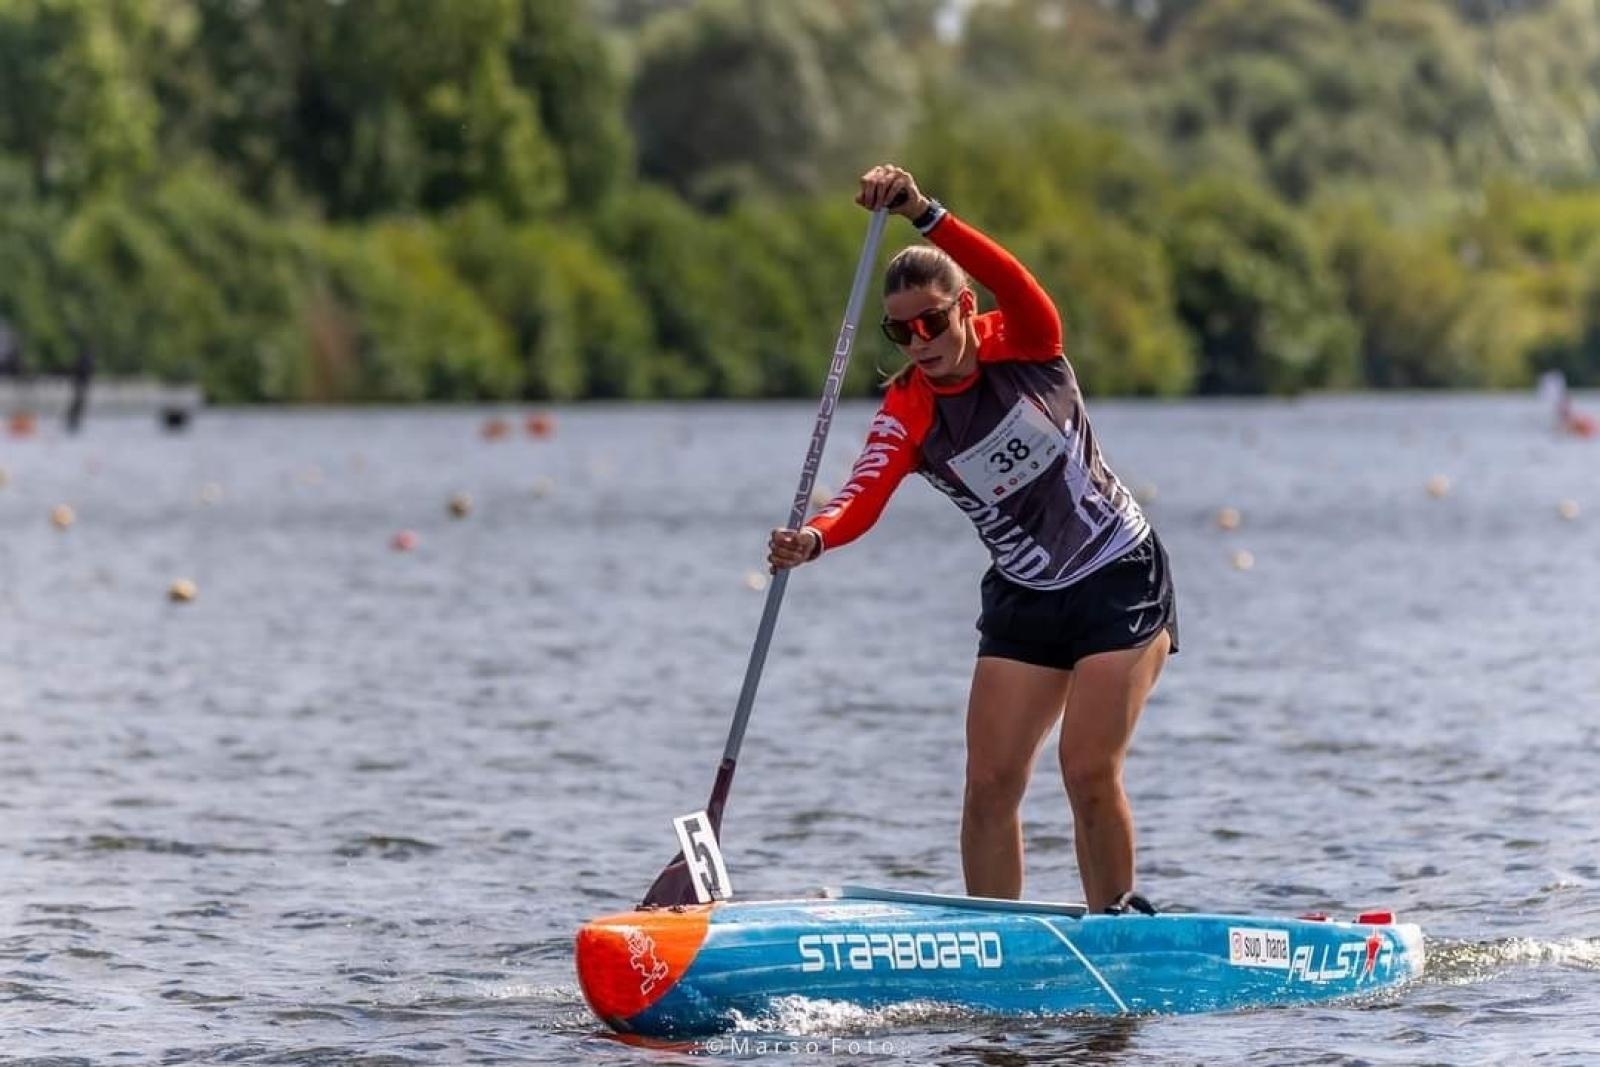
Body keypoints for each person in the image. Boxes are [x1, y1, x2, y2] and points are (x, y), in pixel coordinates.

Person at [768, 164, 1178, 914]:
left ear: (964, 309)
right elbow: (862, 493)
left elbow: (1011, 276)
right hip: (1026, 594)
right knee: (989, 781)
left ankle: (1121, 928)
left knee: (1085, 767)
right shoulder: (911, 407)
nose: (918, 341)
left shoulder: (1025, 339)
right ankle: (996, 942)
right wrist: (815, 540)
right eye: (900, 330)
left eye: (931, 322)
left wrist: (925, 213)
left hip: (1118, 573)